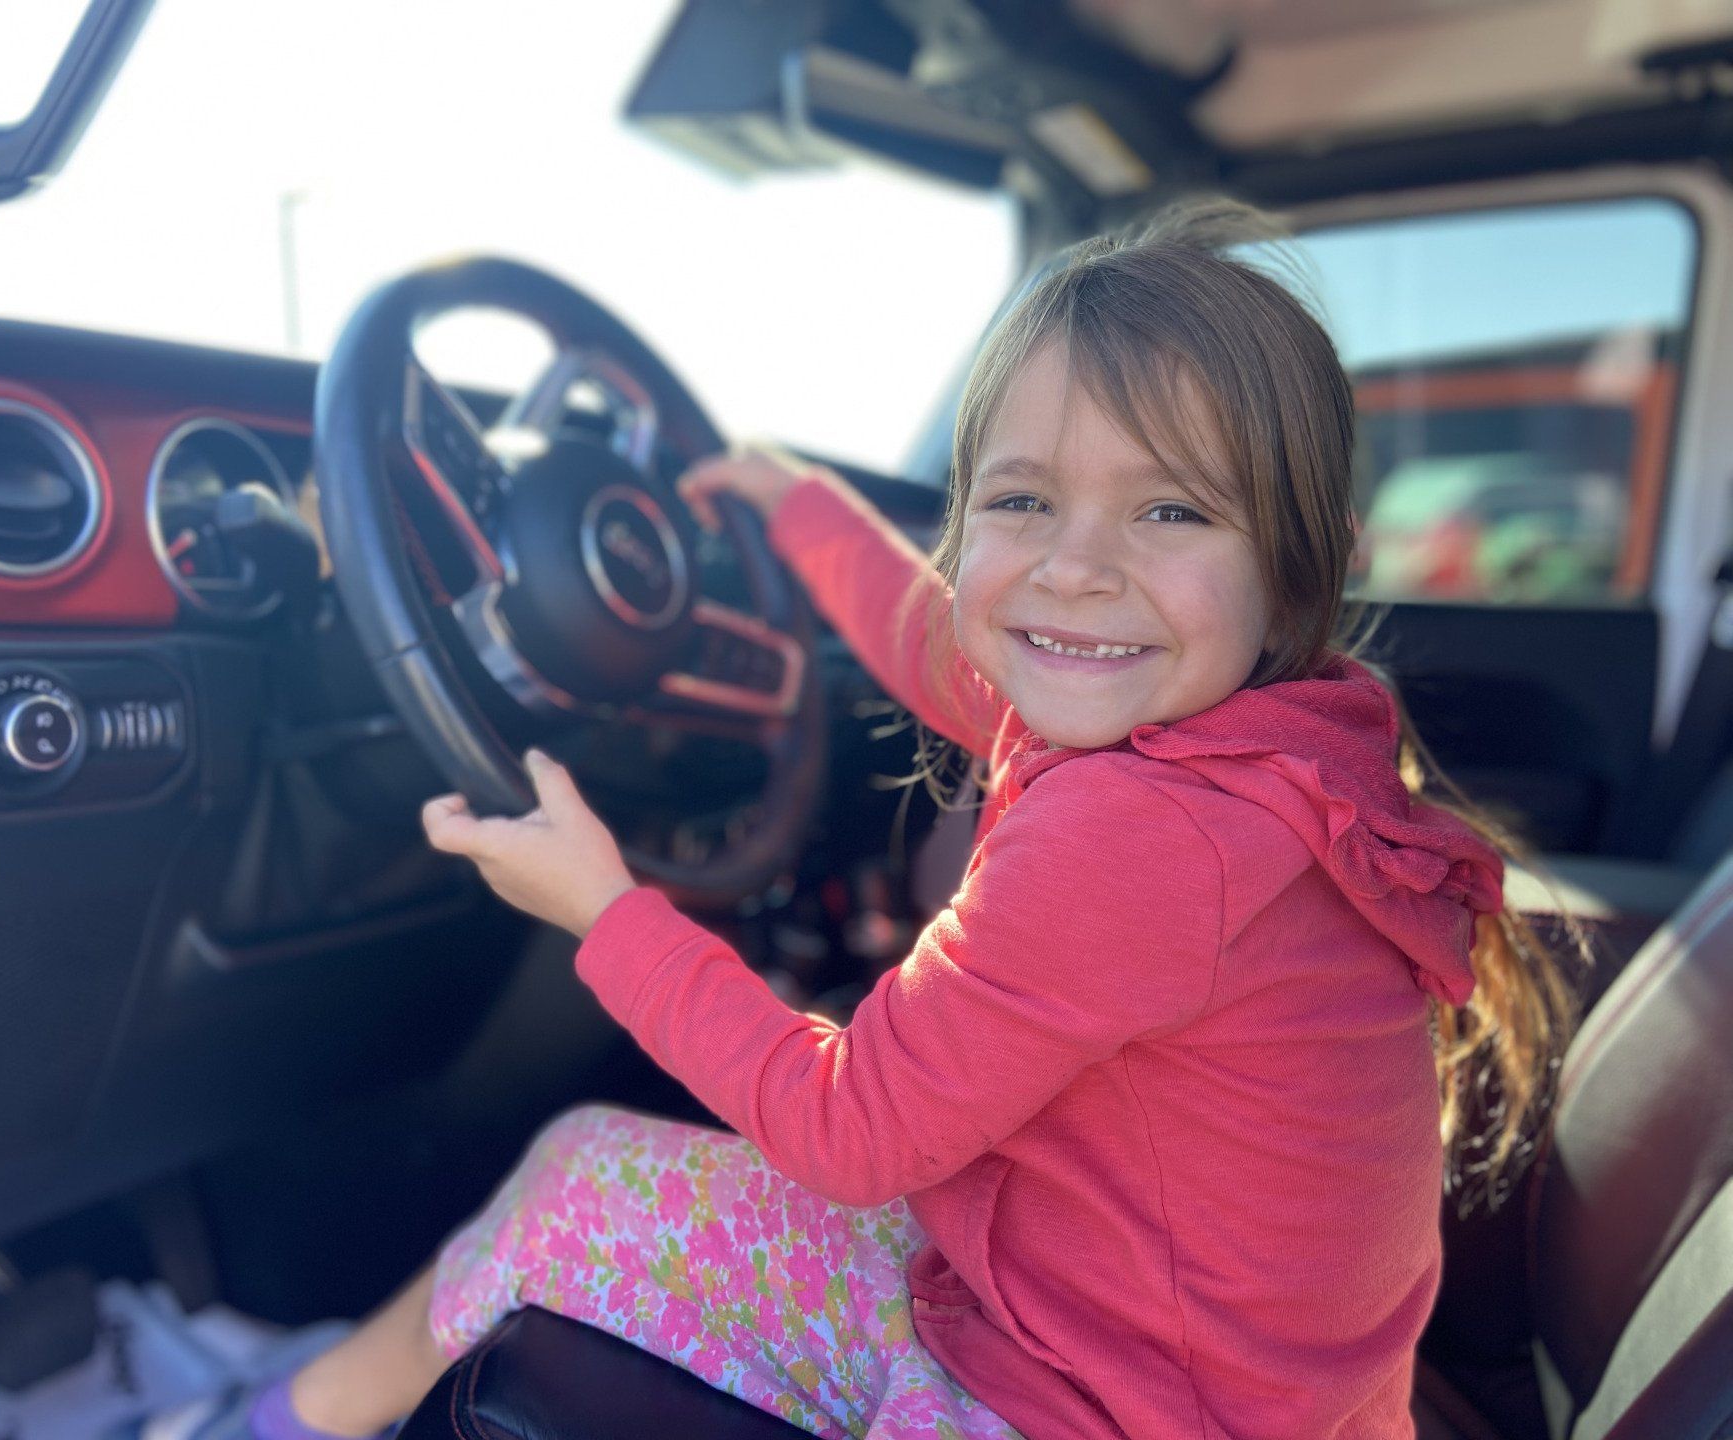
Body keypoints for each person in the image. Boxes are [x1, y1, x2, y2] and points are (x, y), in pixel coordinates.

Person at [149, 199, 1583, 1440]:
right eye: (1021, 500)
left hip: (1089, 1402)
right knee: (585, 1165)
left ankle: (287, 1416)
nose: (1073, 572)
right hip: (1232, 1380)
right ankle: (318, 1400)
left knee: (577, 1188)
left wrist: (607, 911)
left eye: (1169, 514)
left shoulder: (1145, 840)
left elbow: (850, 1134)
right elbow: (949, 647)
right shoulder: (1282, 737)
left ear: (1297, 567)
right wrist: (799, 508)